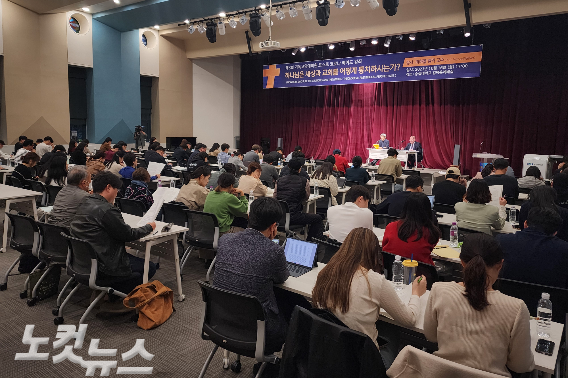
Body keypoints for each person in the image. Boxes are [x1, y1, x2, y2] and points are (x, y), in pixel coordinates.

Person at [423, 234, 534, 377]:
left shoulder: (439, 290)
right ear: (500, 265)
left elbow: (431, 336)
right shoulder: (517, 308)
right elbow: (520, 366)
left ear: (461, 262)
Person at [313, 228, 427, 365]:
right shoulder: (374, 281)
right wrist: (416, 293)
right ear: (373, 253)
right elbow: (410, 319)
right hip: (363, 362)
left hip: (330, 353)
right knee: (394, 329)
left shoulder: (326, 272)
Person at [213, 197, 289, 355]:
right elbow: (281, 278)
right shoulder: (274, 251)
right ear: (274, 226)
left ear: (249, 217)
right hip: (260, 332)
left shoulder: (225, 240)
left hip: (219, 321)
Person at [70, 171, 157, 308]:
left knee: (135, 261)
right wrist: (149, 227)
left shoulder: (85, 202)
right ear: (109, 187)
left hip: (82, 262)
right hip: (104, 265)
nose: (117, 194)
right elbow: (128, 234)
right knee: (149, 267)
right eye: (116, 190)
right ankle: (116, 295)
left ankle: (112, 292)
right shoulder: (106, 210)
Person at [499, 207, 568, 288]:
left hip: (505, 295)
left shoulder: (502, 241)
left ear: (525, 224)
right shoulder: (564, 249)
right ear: (555, 232)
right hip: (550, 298)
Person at [382, 193, 441, 265]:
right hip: (421, 274)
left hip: (391, 271)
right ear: (428, 210)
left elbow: (384, 248)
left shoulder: (391, 226)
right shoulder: (432, 233)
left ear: (405, 208)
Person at [275, 158, 324, 241]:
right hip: (294, 216)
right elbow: (306, 197)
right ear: (300, 169)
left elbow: (275, 197)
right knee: (318, 218)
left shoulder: (279, 180)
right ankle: (310, 241)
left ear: (288, 167)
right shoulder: (304, 181)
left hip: (278, 217)